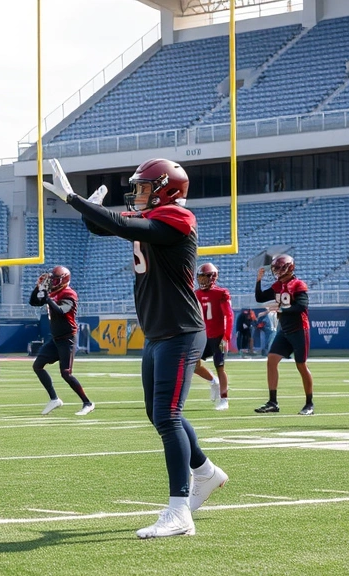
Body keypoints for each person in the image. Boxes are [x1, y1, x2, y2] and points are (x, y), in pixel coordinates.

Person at [51, 157, 226, 538]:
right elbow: (104, 228)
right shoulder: (154, 219)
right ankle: (207, 473)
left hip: (181, 331)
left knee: (167, 415)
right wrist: (87, 210)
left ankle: (180, 511)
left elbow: (117, 222)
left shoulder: (178, 219)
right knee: (158, 413)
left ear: (168, 189)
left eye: (145, 187)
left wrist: (77, 201)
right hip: (159, 332)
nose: (138, 194)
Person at [29, 266, 94, 416]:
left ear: (64, 280)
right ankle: (54, 399)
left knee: (66, 373)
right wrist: (38, 287)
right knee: (38, 366)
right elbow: (34, 302)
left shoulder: (69, 293)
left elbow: (60, 311)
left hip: (68, 338)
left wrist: (47, 298)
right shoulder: (53, 292)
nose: (52, 283)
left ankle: (88, 403)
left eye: (55, 280)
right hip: (56, 338)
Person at [255, 254, 315, 416]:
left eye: (281, 268)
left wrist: (281, 310)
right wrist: (258, 281)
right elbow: (260, 297)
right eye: (276, 268)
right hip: (285, 330)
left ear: (290, 267)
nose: (278, 272)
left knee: (301, 365)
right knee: (271, 360)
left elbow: (302, 307)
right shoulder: (277, 286)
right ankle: (272, 402)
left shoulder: (298, 284)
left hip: (299, 329)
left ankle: (309, 404)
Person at [193, 263, 232, 411]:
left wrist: (226, 337)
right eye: (200, 277)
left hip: (217, 336)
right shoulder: (195, 294)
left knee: (220, 367)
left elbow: (228, 315)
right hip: (202, 335)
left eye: (205, 277)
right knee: (193, 364)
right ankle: (213, 381)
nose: (202, 280)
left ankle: (224, 399)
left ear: (212, 277)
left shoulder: (221, 293)